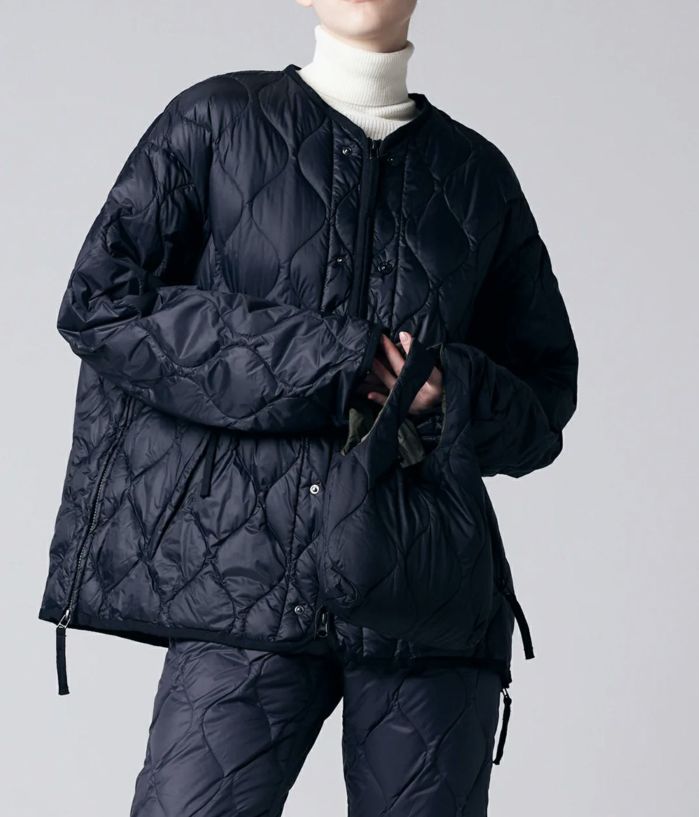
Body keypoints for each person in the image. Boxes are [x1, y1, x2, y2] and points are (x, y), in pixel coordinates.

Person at [37, 1, 579, 814]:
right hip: (243, 581)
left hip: (427, 599)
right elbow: (102, 306)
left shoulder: (477, 177)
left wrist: (450, 387)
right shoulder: (216, 120)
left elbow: (543, 401)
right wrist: (337, 357)